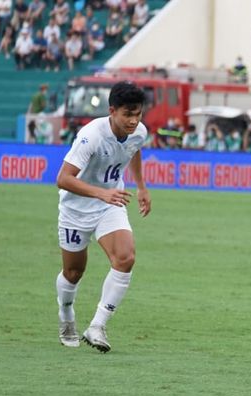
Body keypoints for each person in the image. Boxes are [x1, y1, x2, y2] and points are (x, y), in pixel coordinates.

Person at [53, 81, 150, 352]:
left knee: (125, 257)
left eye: (137, 114)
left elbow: (134, 149)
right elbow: (62, 179)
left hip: (110, 203)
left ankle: (97, 325)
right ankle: (66, 314)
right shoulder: (91, 135)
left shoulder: (139, 131)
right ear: (112, 111)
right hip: (76, 208)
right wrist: (100, 193)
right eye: (127, 114)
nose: (133, 121)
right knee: (73, 272)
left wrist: (141, 187)